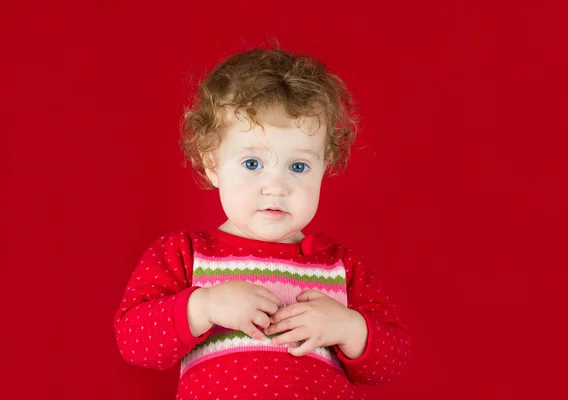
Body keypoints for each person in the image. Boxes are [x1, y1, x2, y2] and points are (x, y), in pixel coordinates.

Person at [114, 44, 411, 399]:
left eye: (298, 167)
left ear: (324, 167)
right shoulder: (186, 254)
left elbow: (392, 362)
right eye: (252, 164)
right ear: (212, 165)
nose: (276, 186)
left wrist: (349, 328)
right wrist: (203, 306)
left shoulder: (339, 265)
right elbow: (134, 342)